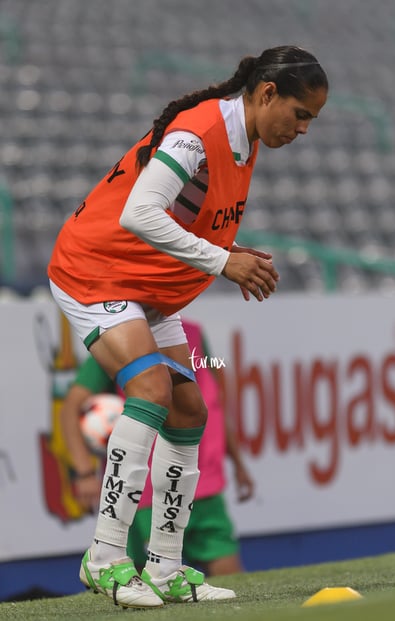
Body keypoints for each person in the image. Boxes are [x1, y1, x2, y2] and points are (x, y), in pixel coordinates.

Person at [48, 44, 328, 609]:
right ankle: (103, 557)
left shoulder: (245, 142)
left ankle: (166, 567)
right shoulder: (197, 136)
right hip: (96, 272)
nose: (303, 130)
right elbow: (138, 213)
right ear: (268, 93)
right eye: (300, 114)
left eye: (311, 121)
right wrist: (224, 261)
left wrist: (227, 250)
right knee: (150, 390)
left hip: (147, 284)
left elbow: (189, 218)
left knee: (189, 410)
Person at [61, 318, 254, 577]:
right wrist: (84, 472)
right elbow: (71, 408)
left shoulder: (192, 332)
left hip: (203, 482)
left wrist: (239, 465)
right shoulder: (116, 337)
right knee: (144, 582)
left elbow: (213, 402)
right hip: (146, 489)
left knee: (230, 577)